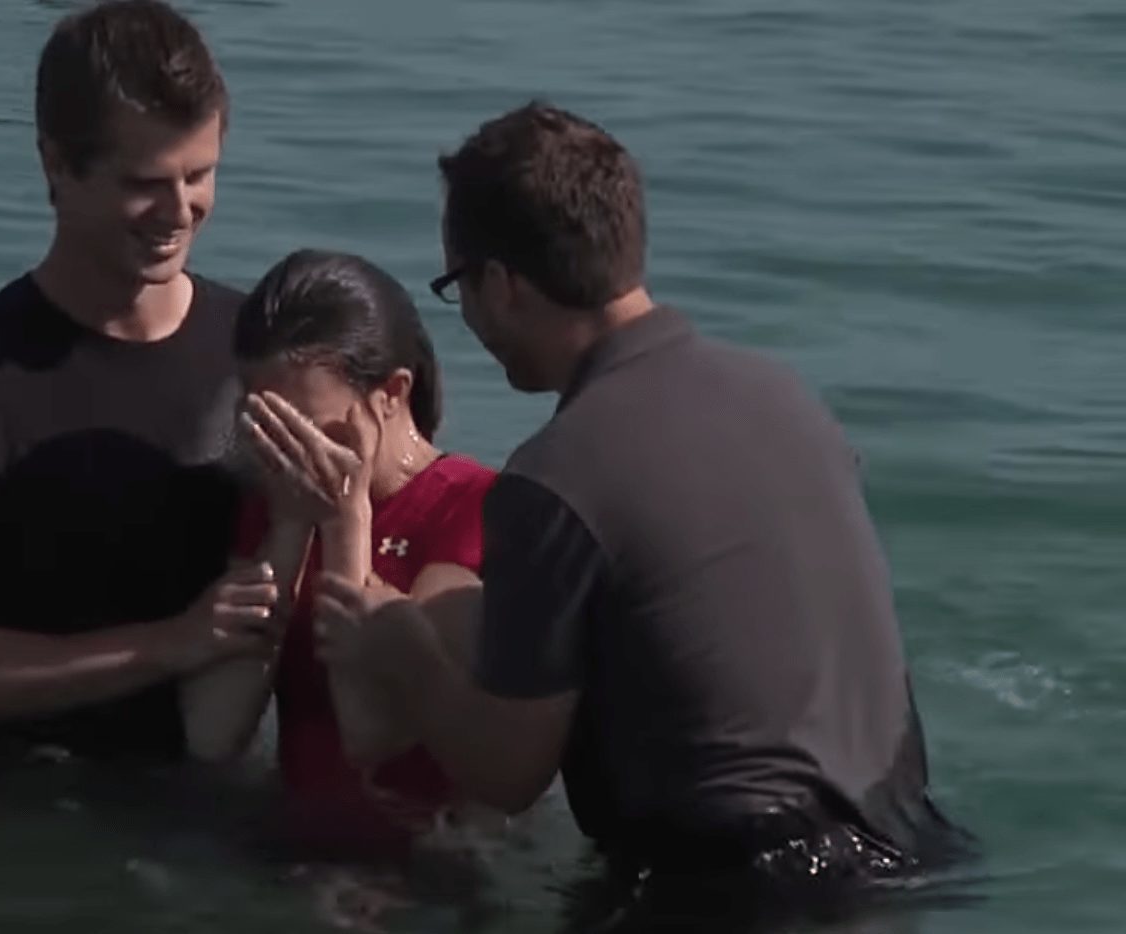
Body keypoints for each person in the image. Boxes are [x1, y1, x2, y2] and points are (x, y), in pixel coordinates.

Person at [309, 103, 972, 926]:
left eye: (458, 288)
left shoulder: (557, 475)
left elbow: (504, 772)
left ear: (503, 285)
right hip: (907, 850)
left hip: (740, 890)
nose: (470, 322)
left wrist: (403, 644)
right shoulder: (787, 399)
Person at [0, 0, 279, 763]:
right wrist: (171, 644)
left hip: (215, 809)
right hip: (19, 813)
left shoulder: (259, 349)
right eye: (145, 182)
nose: (178, 210)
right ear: (56, 162)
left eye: (200, 175)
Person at [180, 249, 498, 855]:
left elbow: (372, 731)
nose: (287, 452)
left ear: (391, 394)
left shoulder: (472, 507)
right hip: (295, 850)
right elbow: (213, 733)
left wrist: (346, 526)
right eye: (266, 426)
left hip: (434, 859)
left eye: (308, 427)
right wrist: (290, 530)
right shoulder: (272, 502)